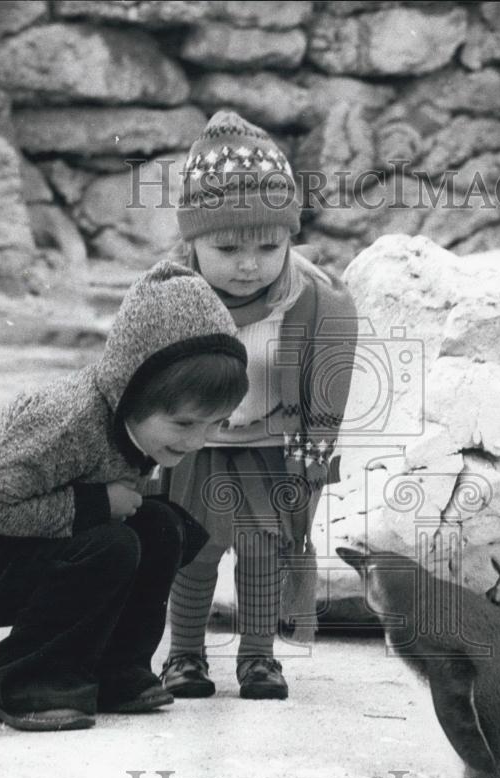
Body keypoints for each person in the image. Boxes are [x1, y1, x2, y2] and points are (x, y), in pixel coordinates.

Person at [0, 261, 248, 731]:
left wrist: (106, 506)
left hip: (21, 539)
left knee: (160, 527)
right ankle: (19, 681)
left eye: (215, 424)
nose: (198, 441)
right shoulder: (68, 421)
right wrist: (97, 505)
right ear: (130, 388)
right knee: (112, 543)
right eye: (183, 423)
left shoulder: (131, 420)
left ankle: (110, 670)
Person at [159, 110, 359, 702]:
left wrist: (313, 456)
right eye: (227, 246)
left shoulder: (314, 302)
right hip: (194, 449)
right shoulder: (169, 295)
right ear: (193, 241)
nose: (249, 264)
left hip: (271, 450)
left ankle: (258, 659)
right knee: (191, 552)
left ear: (289, 238)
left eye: (268, 245)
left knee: (262, 553)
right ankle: (184, 656)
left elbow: (327, 383)